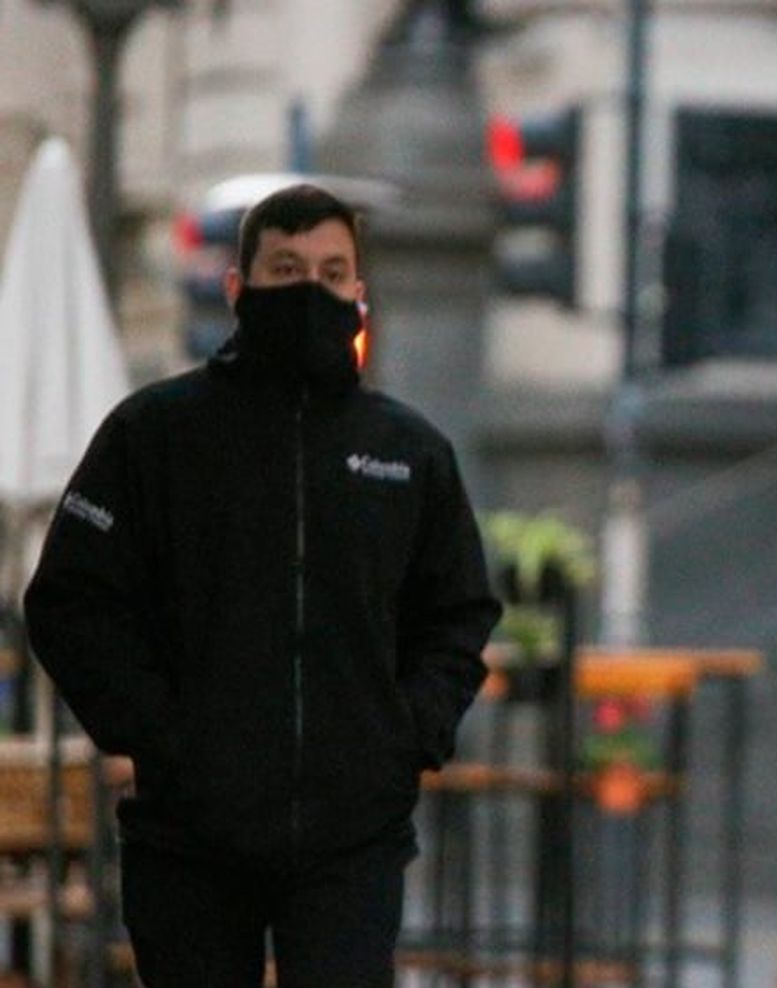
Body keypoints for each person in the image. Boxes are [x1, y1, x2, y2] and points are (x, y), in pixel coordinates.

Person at [24, 183, 502, 986]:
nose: (311, 289)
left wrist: (406, 734)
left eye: (331, 270)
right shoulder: (156, 435)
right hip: (187, 839)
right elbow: (71, 601)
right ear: (238, 286)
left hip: (353, 839)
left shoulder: (408, 452)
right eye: (286, 267)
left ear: (359, 291)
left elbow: (457, 613)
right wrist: (160, 735)